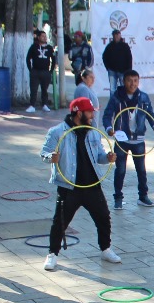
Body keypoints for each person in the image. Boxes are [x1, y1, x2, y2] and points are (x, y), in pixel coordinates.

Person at [40, 96, 121, 270]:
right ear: (78, 112)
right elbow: (44, 153)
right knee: (60, 221)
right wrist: (50, 157)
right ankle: (53, 253)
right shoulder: (57, 132)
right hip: (69, 186)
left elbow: (99, 156)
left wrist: (107, 158)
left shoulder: (92, 131)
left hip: (91, 184)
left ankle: (105, 249)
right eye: (89, 112)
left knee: (103, 217)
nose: (92, 115)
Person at [103, 69, 154, 208]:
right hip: (121, 140)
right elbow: (107, 115)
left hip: (139, 139)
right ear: (123, 81)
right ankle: (118, 198)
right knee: (120, 169)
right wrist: (109, 129)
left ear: (138, 81)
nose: (132, 84)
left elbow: (150, 114)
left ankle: (143, 196)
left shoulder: (143, 97)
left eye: (135, 81)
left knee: (141, 169)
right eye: (129, 80)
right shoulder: (116, 97)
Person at [26, 30, 55, 112]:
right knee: (34, 89)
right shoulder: (34, 47)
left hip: (45, 72)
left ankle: (45, 104)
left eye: (45, 36)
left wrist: (50, 70)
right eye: (42, 36)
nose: (44, 38)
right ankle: (32, 105)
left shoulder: (49, 48)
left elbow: (53, 59)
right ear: (38, 37)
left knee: (45, 89)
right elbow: (28, 58)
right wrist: (30, 69)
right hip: (35, 71)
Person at [101, 29, 133, 94]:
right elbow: (104, 56)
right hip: (112, 71)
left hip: (123, 71)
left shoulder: (125, 46)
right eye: (114, 35)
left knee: (123, 87)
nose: (116, 36)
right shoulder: (109, 46)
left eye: (117, 35)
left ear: (120, 35)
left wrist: (129, 70)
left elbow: (129, 58)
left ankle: (124, 102)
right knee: (112, 89)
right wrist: (108, 67)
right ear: (113, 36)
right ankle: (113, 103)